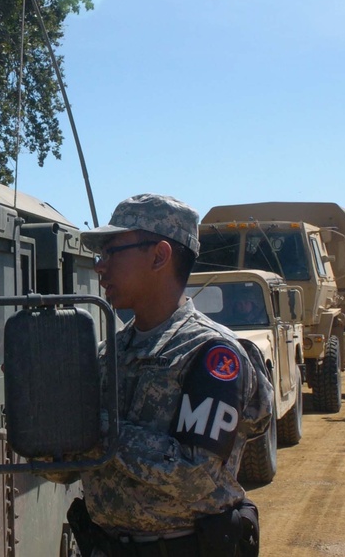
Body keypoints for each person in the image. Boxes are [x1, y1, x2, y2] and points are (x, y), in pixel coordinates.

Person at [67, 193, 273, 557]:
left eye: (112, 251)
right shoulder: (106, 355)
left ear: (160, 255)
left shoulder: (212, 353)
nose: (100, 266)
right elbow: (68, 469)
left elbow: (193, 474)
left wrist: (92, 428)